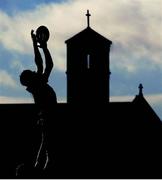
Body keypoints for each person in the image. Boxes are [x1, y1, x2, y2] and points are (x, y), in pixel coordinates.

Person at [18, 27, 57, 176]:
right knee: (48, 145)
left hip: (48, 117)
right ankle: (39, 169)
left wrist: (36, 44)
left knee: (47, 143)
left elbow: (42, 65)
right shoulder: (38, 85)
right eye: (32, 73)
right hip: (49, 117)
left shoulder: (36, 84)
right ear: (30, 79)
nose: (35, 72)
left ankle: (38, 168)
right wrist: (39, 46)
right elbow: (44, 65)